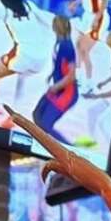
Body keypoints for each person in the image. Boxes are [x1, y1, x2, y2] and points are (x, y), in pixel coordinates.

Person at [0, 0, 53, 126]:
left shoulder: (3, 10)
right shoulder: (29, 5)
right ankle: (13, 119)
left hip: (23, 55)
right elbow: (49, 24)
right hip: (42, 58)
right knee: (22, 81)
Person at [78, 30, 111, 152]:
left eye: (109, 37)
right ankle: (93, 145)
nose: (106, 38)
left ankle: (107, 149)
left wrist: (98, 96)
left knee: (101, 121)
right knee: (94, 115)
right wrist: (103, 83)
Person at [31, 16, 76, 144]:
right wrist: (52, 75)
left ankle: (70, 150)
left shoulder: (67, 46)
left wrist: (57, 86)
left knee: (45, 123)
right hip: (57, 88)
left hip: (66, 92)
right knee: (37, 115)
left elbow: (71, 76)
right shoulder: (59, 42)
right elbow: (60, 66)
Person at [69, 0, 106, 81]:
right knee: (78, 45)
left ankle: (89, 81)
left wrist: (97, 19)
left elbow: (105, 0)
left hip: (99, 17)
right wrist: (75, 3)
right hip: (87, 16)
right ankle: (78, 76)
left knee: (84, 49)